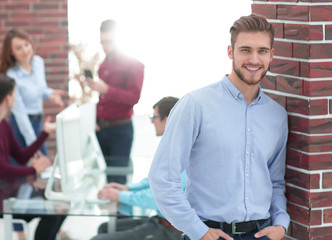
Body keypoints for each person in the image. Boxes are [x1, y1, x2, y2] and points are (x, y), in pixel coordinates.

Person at [149, 14, 290, 240]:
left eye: (262, 51)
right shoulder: (195, 105)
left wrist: (281, 224)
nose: (254, 59)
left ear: (272, 55)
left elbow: (275, 182)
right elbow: (163, 177)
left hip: (262, 234)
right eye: (245, 50)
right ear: (230, 52)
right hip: (209, 235)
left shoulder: (277, 116)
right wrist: (198, 231)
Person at [90, 97, 185, 240]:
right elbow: (155, 182)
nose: (152, 121)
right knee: (103, 228)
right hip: (160, 220)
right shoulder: (170, 147)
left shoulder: (183, 151)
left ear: (166, 120)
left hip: (171, 231)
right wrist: (127, 189)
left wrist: (119, 196)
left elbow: (159, 197)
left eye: (154, 117)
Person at [0, 74, 66, 240]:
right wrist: (33, 169)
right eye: (15, 93)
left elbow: (21, 156)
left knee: (60, 209)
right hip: (3, 200)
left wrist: (44, 133)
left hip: (8, 193)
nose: (16, 97)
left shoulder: (5, 125)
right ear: (8, 98)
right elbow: (1, 170)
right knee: (52, 213)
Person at [85, 19, 144, 184]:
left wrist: (107, 89)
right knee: (104, 179)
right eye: (102, 42)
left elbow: (134, 98)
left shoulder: (133, 64)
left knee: (118, 181)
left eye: (109, 42)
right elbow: (104, 98)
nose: (105, 46)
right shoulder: (104, 64)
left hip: (120, 130)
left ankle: (120, 211)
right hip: (102, 129)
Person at [0, 27, 66, 157]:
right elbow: (20, 113)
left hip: (37, 122)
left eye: (26, 44)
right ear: (12, 52)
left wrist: (49, 93)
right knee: (21, 170)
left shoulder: (38, 62)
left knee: (43, 169)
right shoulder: (11, 76)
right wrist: (33, 145)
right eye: (19, 48)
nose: (25, 50)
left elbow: (39, 88)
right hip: (20, 125)